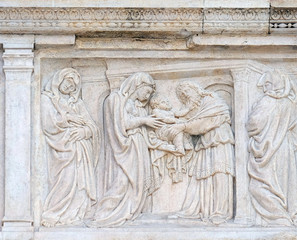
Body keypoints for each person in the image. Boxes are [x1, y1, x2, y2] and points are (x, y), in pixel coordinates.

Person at [91, 72, 164, 227]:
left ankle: (132, 211)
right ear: (137, 85)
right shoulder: (116, 99)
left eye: (150, 93)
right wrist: (144, 120)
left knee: (138, 181)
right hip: (126, 146)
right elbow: (121, 124)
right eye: (147, 91)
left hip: (139, 145)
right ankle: (106, 213)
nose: (148, 96)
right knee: (123, 180)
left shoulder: (137, 105)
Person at [166, 81, 235, 225]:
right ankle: (198, 210)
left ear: (195, 89)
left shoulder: (212, 101)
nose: (185, 95)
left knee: (219, 174)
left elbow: (206, 122)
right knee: (200, 176)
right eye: (182, 96)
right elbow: (192, 122)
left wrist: (184, 126)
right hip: (205, 143)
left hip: (219, 141)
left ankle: (220, 212)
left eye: (186, 91)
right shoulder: (195, 108)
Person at [41, 68, 100, 227]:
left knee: (81, 184)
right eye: (68, 82)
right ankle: (55, 213)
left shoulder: (78, 103)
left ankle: (76, 215)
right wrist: (70, 118)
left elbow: (92, 127)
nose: (70, 87)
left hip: (81, 149)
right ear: (59, 80)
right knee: (65, 181)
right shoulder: (48, 99)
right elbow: (48, 124)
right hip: (61, 150)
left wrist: (84, 131)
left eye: (74, 85)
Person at [247, 70, 297, 226]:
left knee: (259, 186)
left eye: (267, 84)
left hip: (268, 151)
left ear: (277, 83)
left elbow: (253, 124)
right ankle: (291, 215)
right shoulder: (291, 103)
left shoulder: (267, 102)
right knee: (285, 186)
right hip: (285, 148)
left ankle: (280, 218)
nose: (265, 89)